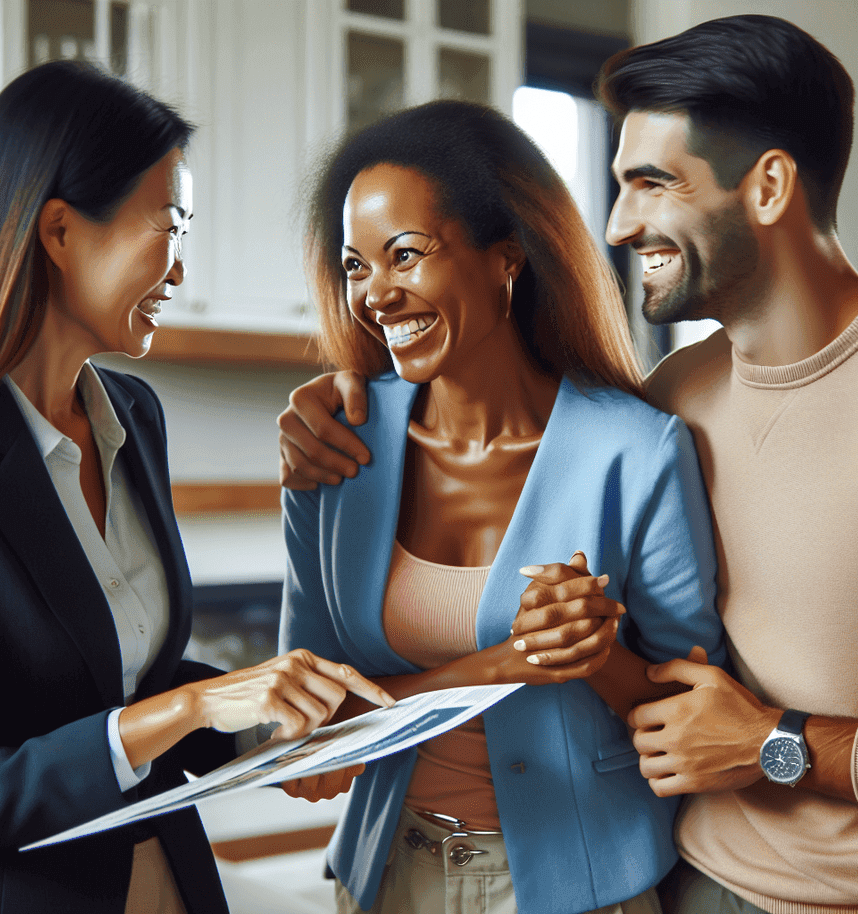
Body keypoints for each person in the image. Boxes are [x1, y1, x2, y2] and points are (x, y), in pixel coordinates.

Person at [277, 15, 858, 914]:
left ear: (767, 185)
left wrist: (776, 741)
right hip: (695, 881)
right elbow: (642, 666)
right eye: (618, 185)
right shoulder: (677, 394)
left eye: (653, 184)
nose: (615, 223)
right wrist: (344, 398)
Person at [0, 60, 390, 914]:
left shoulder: (131, 416)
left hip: (164, 879)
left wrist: (263, 727)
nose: (181, 271)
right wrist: (196, 703)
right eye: (171, 227)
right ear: (60, 231)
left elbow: (118, 682)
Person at [277, 99, 725, 914]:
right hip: (385, 878)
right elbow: (308, 718)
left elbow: (695, 719)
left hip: (582, 886)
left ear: (506, 258)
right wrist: (500, 668)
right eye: (355, 265)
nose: (375, 294)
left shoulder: (636, 451)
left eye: (405, 255)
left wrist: (597, 657)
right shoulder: (335, 446)